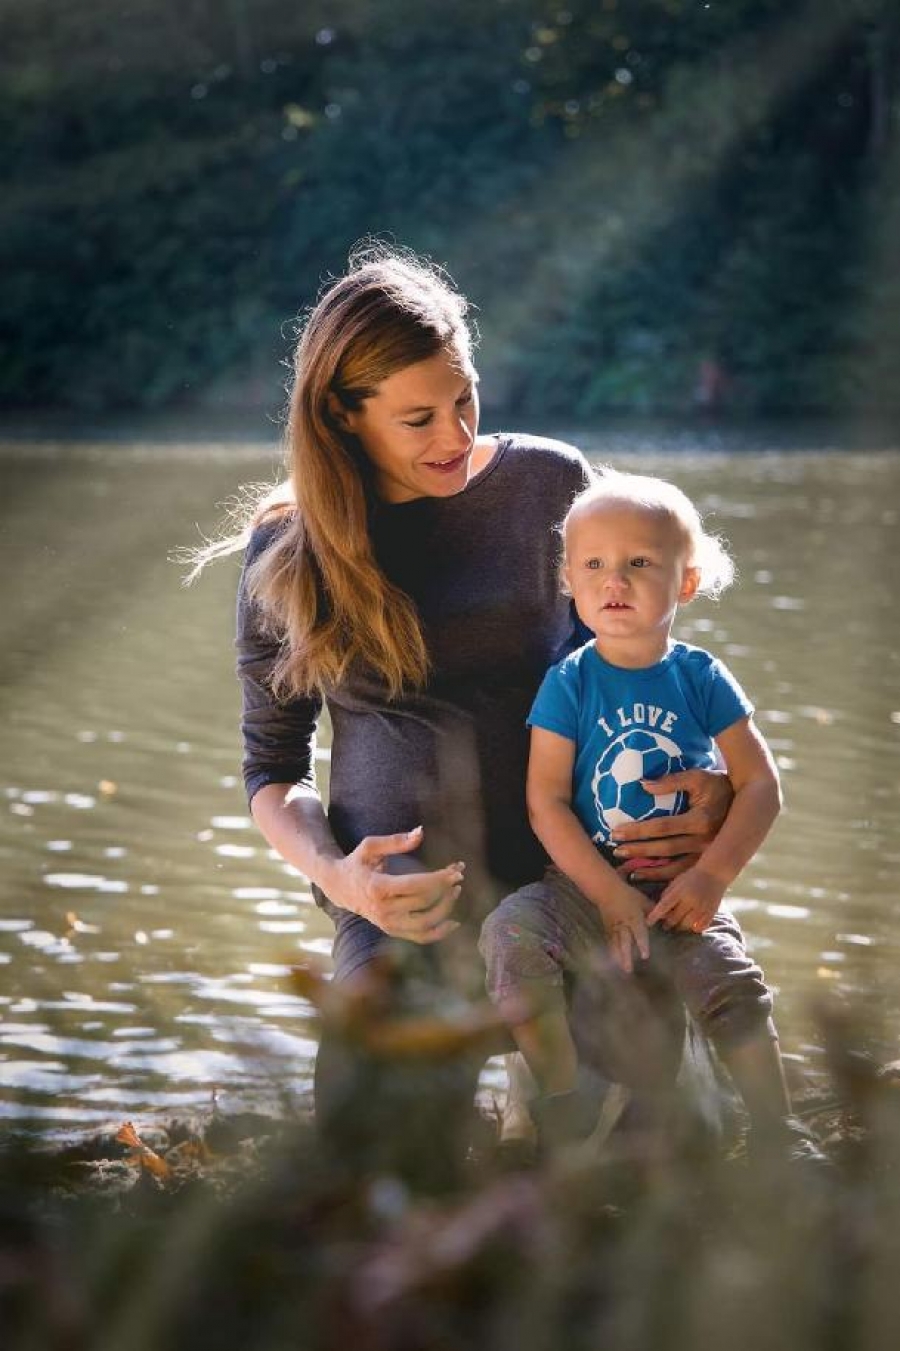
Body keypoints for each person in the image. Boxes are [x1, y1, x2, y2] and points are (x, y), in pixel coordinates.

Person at [210, 244, 732, 1178]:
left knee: (667, 1161)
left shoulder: (551, 486)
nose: (454, 432)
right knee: (377, 1170)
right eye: (417, 417)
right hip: (404, 913)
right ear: (344, 415)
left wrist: (702, 787)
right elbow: (272, 769)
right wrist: (341, 880)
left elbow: (634, 681)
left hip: (570, 887)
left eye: (466, 398)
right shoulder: (287, 556)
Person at [479, 471, 815, 1158]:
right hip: (580, 891)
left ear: (685, 583)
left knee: (733, 983)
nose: (616, 580)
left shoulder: (701, 677)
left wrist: (711, 878)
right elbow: (544, 801)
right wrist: (604, 892)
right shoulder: (570, 681)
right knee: (509, 932)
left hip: (678, 896)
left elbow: (760, 786)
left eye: (640, 563)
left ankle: (782, 1137)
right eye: (595, 564)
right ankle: (562, 1094)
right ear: (569, 581)